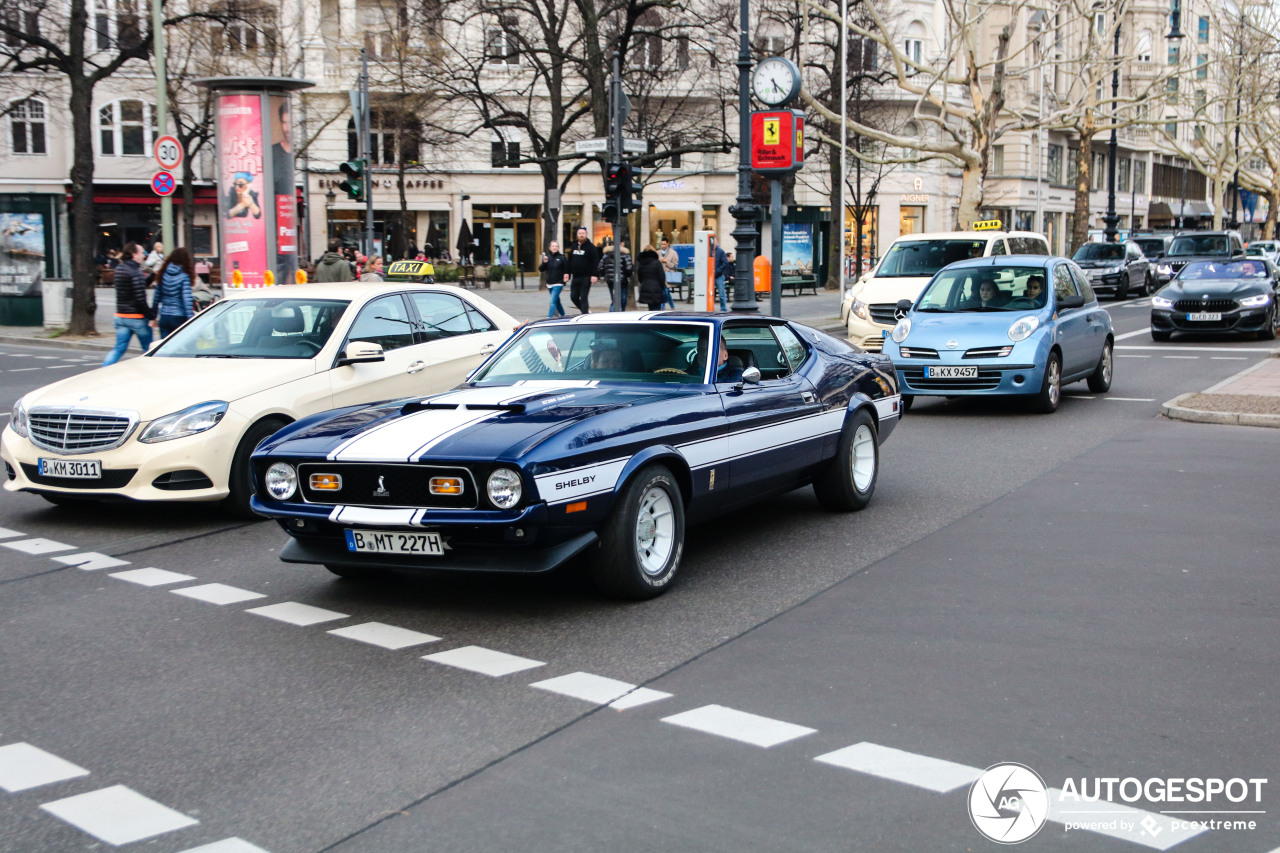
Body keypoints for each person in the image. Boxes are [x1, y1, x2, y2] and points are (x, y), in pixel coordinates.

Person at [103, 243, 154, 366]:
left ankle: (103, 370)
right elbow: (140, 298)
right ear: (134, 254)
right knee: (149, 350)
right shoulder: (135, 271)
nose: (144, 255)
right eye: (142, 252)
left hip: (121, 316)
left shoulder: (120, 269)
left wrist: (151, 277)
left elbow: (132, 288)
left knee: (118, 349)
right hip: (136, 318)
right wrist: (151, 316)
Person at [153, 247, 195, 338]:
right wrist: (191, 320)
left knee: (164, 349)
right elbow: (186, 300)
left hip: (164, 316)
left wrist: (153, 316)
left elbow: (156, 298)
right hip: (179, 317)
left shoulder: (162, 274)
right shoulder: (184, 277)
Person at [566, 226, 599, 314]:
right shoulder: (574, 246)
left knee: (584, 297)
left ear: (586, 234)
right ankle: (585, 311)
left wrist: (594, 275)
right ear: (577, 235)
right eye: (580, 233)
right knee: (573, 297)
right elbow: (570, 260)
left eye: (583, 233)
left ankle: (584, 315)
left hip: (586, 277)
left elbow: (595, 262)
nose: (581, 235)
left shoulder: (591, 247)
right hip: (576, 276)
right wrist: (567, 273)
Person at [598, 241, 633, 310]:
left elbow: (600, 267)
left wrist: (605, 275)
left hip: (611, 280)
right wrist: (627, 275)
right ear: (622, 244)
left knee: (614, 299)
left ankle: (613, 314)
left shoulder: (606, 254)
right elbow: (629, 268)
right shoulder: (625, 254)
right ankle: (620, 314)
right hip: (623, 280)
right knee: (622, 299)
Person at [539, 241, 568, 318]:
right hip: (549, 283)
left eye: (556, 246)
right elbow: (541, 269)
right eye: (553, 246)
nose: (555, 248)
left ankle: (549, 317)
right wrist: (544, 262)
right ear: (550, 248)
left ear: (558, 248)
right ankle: (564, 315)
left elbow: (567, 269)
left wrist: (566, 277)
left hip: (558, 283)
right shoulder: (547, 257)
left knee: (552, 301)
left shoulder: (562, 257)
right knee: (557, 301)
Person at [636, 244, 666, 311]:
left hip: (645, 287)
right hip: (656, 288)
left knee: (650, 308)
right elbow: (661, 276)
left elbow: (640, 277)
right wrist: (662, 286)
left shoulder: (641, 263)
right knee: (656, 309)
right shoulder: (657, 263)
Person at [710, 234, 729, 311]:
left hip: (719, 275)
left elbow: (725, 263)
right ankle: (710, 307)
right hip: (710, 275)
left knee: (722, 293)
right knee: (710, 293)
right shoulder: (708, 251)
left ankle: (723, 308)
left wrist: (718, 270)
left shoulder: (721, 251)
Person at [659, 238, 679, 308]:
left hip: (668, 275)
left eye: (664, 244)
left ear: (668, 244)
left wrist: (666, 262)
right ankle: (672, 306)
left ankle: (662, 308)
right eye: (662, 244)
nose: (663, 246)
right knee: (665, 292)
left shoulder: (673, 253)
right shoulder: (658, 253)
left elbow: (675, 265)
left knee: (665, 292)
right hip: (660, 276)